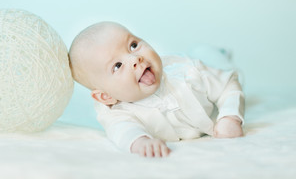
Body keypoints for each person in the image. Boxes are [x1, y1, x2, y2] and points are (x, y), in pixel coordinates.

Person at [69, 22, 245, 158]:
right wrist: (141, 143)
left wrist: (230, 117)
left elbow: (229, 85)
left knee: (229, 70)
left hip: (206, 63)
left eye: (133, 45)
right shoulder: (117, 113)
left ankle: (215, 52)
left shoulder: (188, 72)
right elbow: (122, 132)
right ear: (105, 96)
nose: (135, 58)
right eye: (117, 65)